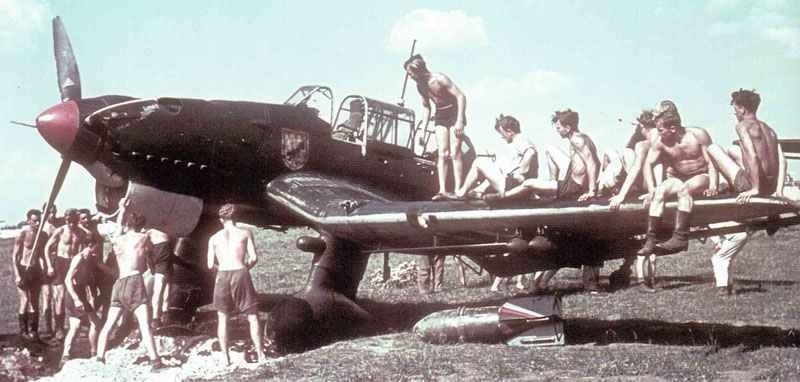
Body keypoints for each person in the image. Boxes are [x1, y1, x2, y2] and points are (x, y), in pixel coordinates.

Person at [637, 107, 717, 291]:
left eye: (661, 130)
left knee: (684, 189)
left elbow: (712, 161)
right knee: (660, 192)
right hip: (679, 178)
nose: (658, 134)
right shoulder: (661, 142)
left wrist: (713, 184)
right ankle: (651, 239)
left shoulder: (698, 135)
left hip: (701, 176)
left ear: (673, 128)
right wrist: (651, 189)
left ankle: (681, 236)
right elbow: (647, 165)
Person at [95, 198, 164, 370]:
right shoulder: (143, 238)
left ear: (127, 224)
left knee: (108, 325)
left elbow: (118, 229)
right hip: (134, 281)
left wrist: (121, 209)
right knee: (144, 324)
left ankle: (99, 357)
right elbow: (153, 250)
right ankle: (155, 360)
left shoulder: (118, 239)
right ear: (142, 225)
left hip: (119, 283)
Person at [207, 203, 267, 365]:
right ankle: (261, 355)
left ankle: (225, 358)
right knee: (252, 315)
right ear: (236, 218)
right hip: (240, 270)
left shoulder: (214, 238)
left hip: (222, 273)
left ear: (221, 219)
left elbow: (209, 264)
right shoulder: (245, 233)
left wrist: (221, 270)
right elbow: (254, 257)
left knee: (222, 317)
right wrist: (245, 268)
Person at [498, 109, 600, 203]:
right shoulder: (580, 137)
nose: (557, 130)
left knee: (529, 183)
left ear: (568, 128)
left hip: (573, 187)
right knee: (550, 149)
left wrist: (591, 191)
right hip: (570, 180)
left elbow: (592, 163)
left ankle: (501, 197)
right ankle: (553, 184)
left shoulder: (577, 140)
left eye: (559, 128)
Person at [404, 54, 467, 200]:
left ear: (418, 69)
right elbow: (426, 107)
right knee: (442, 154)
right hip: (440, 115)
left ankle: (458, 190)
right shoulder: (420, 86)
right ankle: (443, 190)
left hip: (454, 113)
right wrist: (423, 130)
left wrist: (459, 121)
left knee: (455, 152)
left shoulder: (440, 79)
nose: (410, 77)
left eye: (410, 73)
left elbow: (461, 96)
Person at [706, 89, 786, 202]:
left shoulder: (742, 126)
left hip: (751, 186)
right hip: (770, 188)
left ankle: (713, 188)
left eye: (735, 110)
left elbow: (752, 155)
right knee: (732, 150)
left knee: (712, 148)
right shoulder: (770, 130)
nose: (735, 114)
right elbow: (783, 162)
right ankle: (736, 186)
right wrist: (779, 191)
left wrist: (755, 189)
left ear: (742, 109)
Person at [449, 114, 538, 200]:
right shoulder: (517, 142)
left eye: (502, 133)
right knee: (500, 164)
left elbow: (530, 152)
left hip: (514, 185)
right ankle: (479, 191)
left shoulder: (520, 139)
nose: (501, 136)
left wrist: (520, 173)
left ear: (510, 132)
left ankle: (460, 193)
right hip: (513, 184)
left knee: (479, 162)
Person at [44, 208, 86, 340]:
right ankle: (59, 328)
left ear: (76, 219)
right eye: (67, 220)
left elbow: (86, 243)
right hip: (60, 263)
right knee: (60, 296)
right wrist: (50, 265)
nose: (69, 223)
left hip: (73, 262)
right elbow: (47, 248)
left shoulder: (80, 231)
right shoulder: (61, 230)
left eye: (72, 220)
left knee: (77, 293)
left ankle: (80, 323)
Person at [61, 243, 103, 364]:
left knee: (80, 325)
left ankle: (68, 354)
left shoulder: (91, 258)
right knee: (89, 323)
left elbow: (89, 280)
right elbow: (67, 280)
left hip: (82, 292)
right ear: (88, 247)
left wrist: (92, 297)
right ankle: (92, 352)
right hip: (73, 293)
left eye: (97, 252)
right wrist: (76, 299)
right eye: (93, 251)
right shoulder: (79, 259)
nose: (95, 254)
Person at [12, 209, 47, 341]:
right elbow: (14, 256)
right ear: (28, 221)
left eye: (39, 220)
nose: (37, 223)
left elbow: (42, 255)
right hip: (23, 268)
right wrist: (17, 274)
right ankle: (23, 331)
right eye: (34, 221)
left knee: (35, 301)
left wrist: (44, 269)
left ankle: (34, 331)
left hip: (35, 270)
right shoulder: (23, 234)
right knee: (25, 300)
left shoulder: (43, 235)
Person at [39, 204, 61, 337]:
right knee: (46, 297)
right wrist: (44, 266)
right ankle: (48, 328)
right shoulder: (42, 229)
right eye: (49, 212)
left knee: (58, 295)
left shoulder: (58, 225)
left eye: (54, 212)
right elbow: (39, 250)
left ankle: (59, 328)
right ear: (44, 213)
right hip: (44, 263)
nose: (52, 215)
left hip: (57, 261)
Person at [146, 227, 172, 329]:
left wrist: (152, 268)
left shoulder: (150, 232)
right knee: (164, 291)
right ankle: (162, 315)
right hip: (166, 265)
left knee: (159, 292)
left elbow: (148, 254)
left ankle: (157, 318)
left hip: (161, 265)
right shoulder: (163, 235)